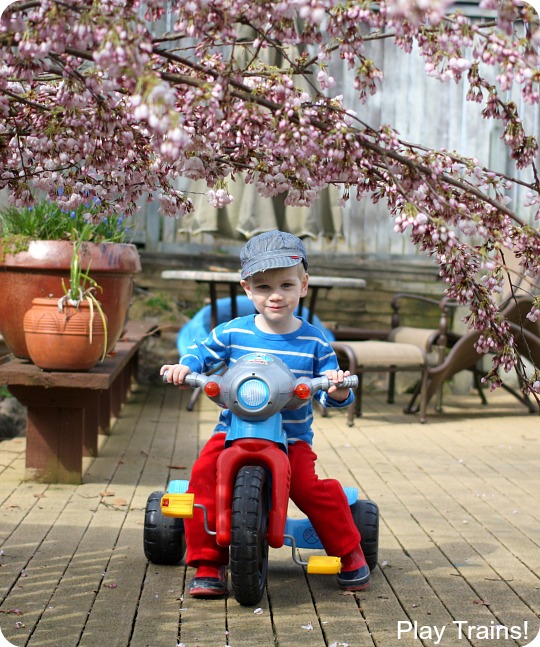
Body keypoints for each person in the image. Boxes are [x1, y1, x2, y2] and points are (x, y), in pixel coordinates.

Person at [160, 230, 370, 598]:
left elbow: (334, 391)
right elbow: (200, 353)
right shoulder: (231, 333)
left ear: (303, 286)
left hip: (291, 439)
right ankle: (208, 562)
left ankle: (349, 551)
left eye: (286, 285)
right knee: (202, 477)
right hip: (232, 432)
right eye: (263, 287)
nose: (275, 295)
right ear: (247, 289)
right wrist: (184, 367)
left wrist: (335, 386)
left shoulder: (314, 340)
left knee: (310, 488)